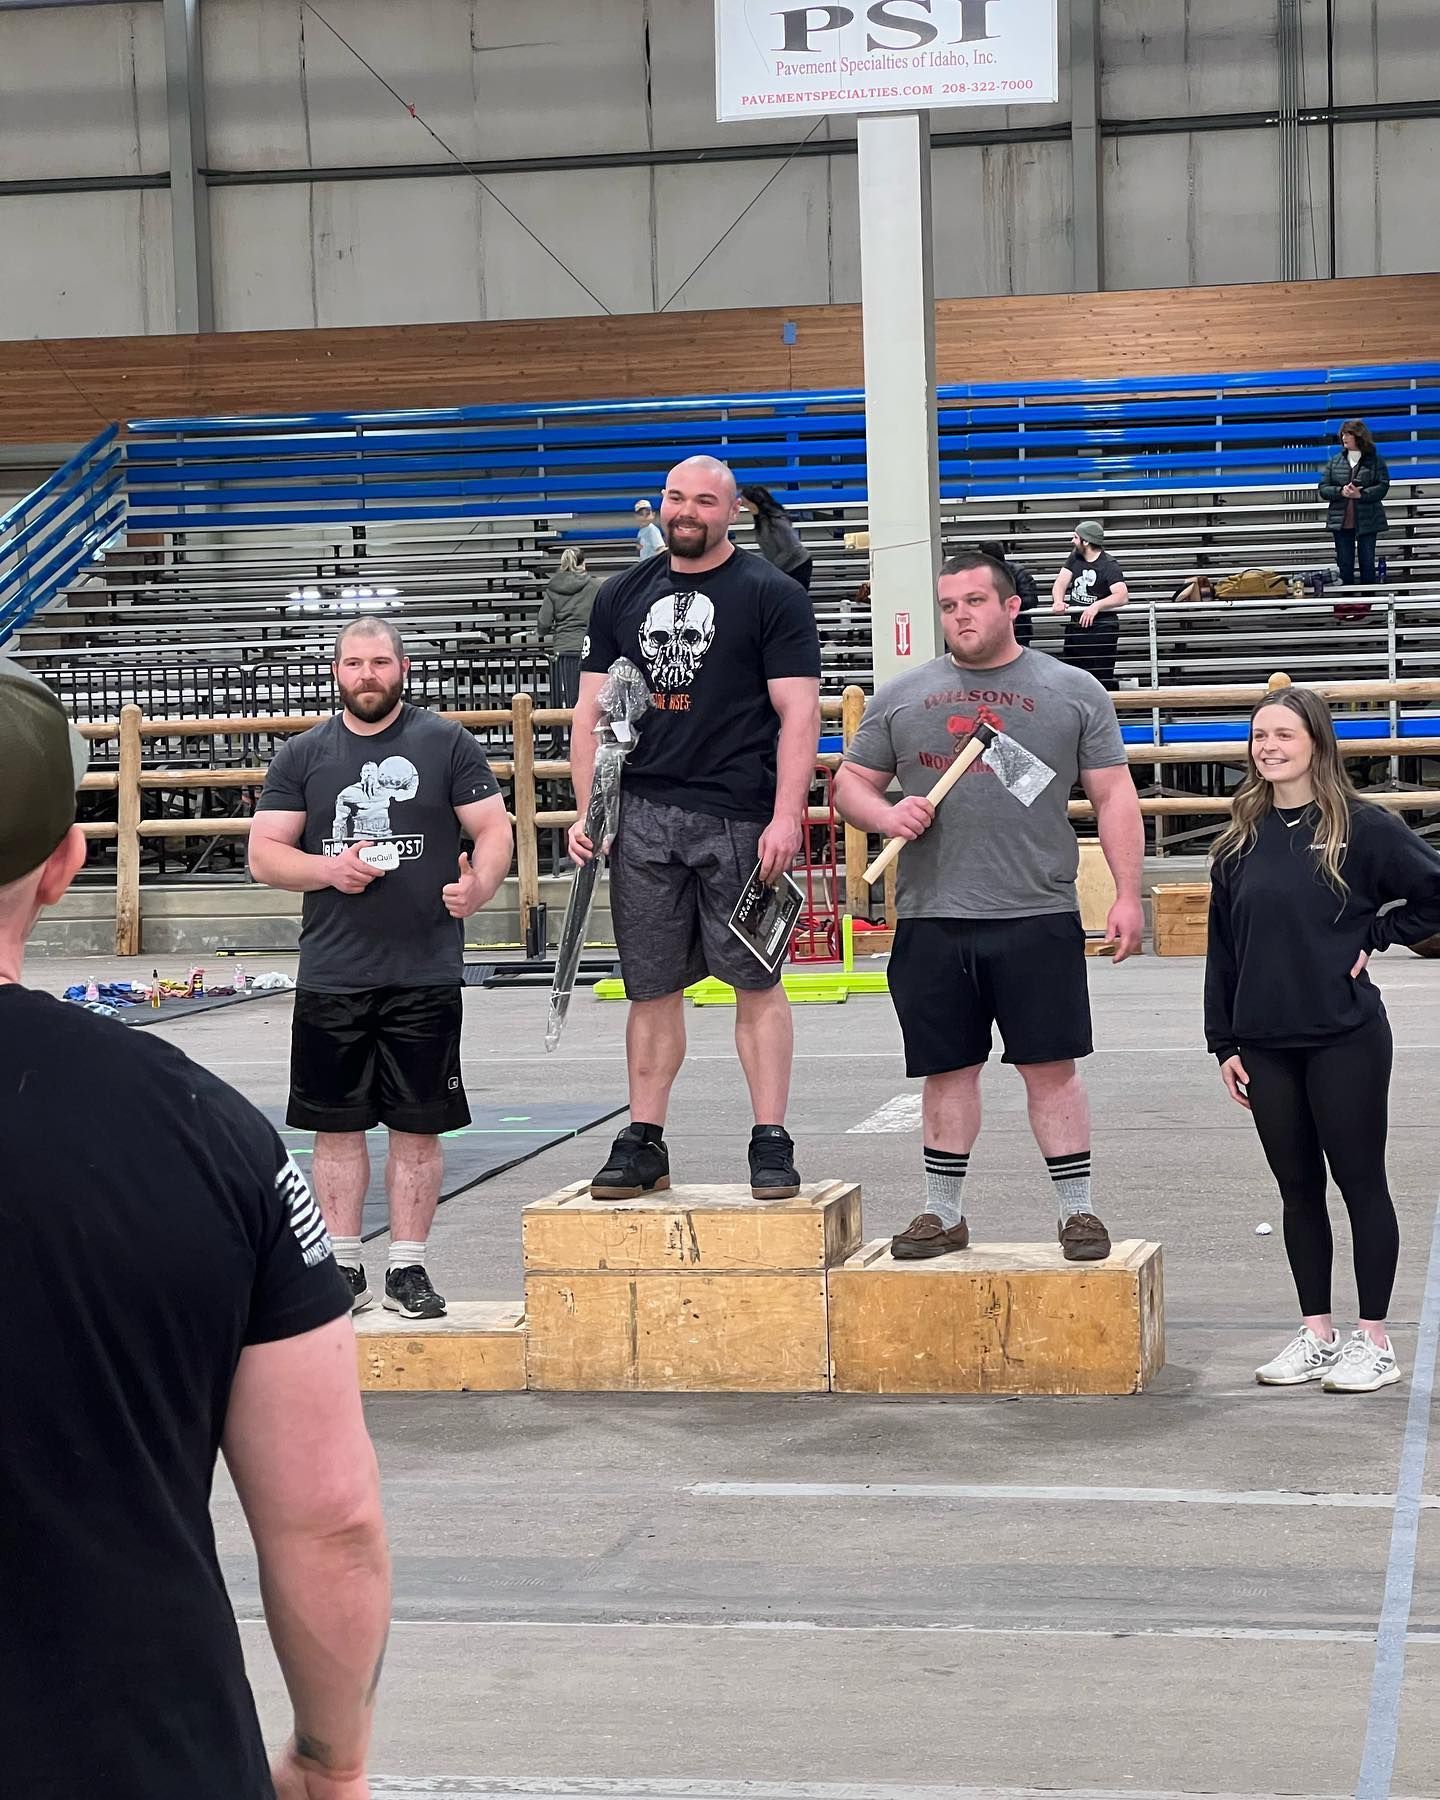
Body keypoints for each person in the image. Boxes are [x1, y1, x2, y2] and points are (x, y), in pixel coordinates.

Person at [0, 671, 391, 1799]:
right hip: (131, 1749)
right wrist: (330, 1756)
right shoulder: (208, 1135)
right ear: (67, 865)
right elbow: (328, 1520)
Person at [836, 550, 1144, 1263]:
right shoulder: (902, 696)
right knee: (946, 1069)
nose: (960, 616)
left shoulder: (1072, 691)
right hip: (932, 914)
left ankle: (1078, 1213)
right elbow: (849, 785)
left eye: (974, 601)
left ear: (1011, 607)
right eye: (949, 606)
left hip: (1035, 911)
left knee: (1051, 1066)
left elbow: (1113, 796)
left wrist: (1129, 894)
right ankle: (942, 1213)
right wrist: (886, 817)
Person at [570, 454, 821, 1201]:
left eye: (704, 501)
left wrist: (786, 815)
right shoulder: (619, 593)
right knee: (649, 988)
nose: (686, 511)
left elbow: (799, 713)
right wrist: (594, 810)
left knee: (757, 981)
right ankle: (644, 1138)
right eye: (676, 497)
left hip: (739, 814)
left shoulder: (770, 595)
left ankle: (770, 1139)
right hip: (642, 814)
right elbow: (589, 715)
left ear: (733, 510)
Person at [250, 616, 513, 1320]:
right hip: (334, 973)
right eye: (354, 663)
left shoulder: (445, 742)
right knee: (334, 1128)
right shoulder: (303, 754)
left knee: (417, 1128)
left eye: (379, 663)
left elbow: (494, 829)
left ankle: (408, 1268)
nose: (367, 675)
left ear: (403, 668)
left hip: (424, 969)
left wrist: (480, 886)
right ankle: (342, 1264)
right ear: (336, 671)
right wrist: (328, 869)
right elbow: (266, 853)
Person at [1204, 684, 1440, 1393]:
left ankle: (1375, 1340)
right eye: (1259, 736)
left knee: (1361, 1182)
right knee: (1297, 1190)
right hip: (1265, 1044)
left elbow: (1433, 891)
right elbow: (1224, 950)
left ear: (1316, 744)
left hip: (1345, 1038)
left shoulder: (1361, 828)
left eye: (1283, 734)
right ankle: (1317, 1334)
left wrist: (1380, 932)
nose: (1269, 747)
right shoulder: (1238, 839)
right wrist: (1224, 1043)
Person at [1318, 419, 1390, 621]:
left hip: (1367, 519)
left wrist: (1362, 494)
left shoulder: (1375, 460)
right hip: (1341, 520)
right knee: (1344, 562)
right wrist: (1340, 491)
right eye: (1342, 435)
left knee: (1367, 561)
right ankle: (1346, 599)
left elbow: (1383, 486)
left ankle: (1368, 601)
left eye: (1347, 435)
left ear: (1358, 437)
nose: (1343, 438)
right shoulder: (1335, 461)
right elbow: (1323, 488)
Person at [1050, 518, 1128, 691]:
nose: (1072, 541)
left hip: (1101, 631)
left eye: (1075, 537)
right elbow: (1060, 583)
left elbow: (1122, 596)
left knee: (1099, 681)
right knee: (1072, 679)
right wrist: (1058, 601)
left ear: (1086, 541)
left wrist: (1096, 606)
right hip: (1076, 629)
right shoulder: (1074, 557)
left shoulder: (1108, 565)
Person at [539, 546, 600, 712]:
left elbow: (543, 623)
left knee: (572, 698)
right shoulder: (596, 586)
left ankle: (570, 734)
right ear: (584, 563)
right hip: (590, 648)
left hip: (564, 649)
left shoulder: (553, 588)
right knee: (592, 697)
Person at [740, 483, 814, 591]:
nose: (744, 506)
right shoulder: (762, 520)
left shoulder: (776, 520)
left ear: (754, 503)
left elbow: (790, 549)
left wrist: (770, 569)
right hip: (784, 567)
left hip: (797, 566)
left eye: (746, 503)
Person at [977, 539, 1040, 647]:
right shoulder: (979, 576)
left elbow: (1031, 600)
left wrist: (1001, 605)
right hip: (989, 631)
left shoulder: (1018, 572)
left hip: (1018, 631)